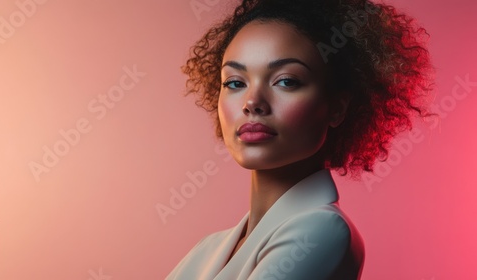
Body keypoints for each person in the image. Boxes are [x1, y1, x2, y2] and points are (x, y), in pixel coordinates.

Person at [167, 0, 433, 279]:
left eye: (286, 81)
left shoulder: (321, 229)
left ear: (337, 108)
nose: (252, 102)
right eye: (235, 82)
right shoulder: (207, 249)